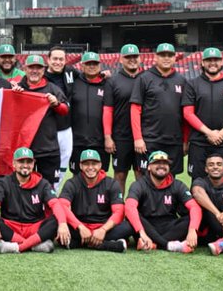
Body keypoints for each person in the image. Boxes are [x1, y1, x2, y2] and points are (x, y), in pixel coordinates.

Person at [0, 147, 66, 254]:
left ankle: (16, 247)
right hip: (11, 226)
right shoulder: (3, 183)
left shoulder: (42, 183)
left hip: (35, 228)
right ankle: (34, 245)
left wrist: (63, 224)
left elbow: (55, 204)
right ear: (14, 164)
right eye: (21, 161)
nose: (25, 165)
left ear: (33, 164)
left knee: (57, 220)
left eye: (29, 162)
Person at [182, 47, 223, 181]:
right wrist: (209, 133)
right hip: (199, 142)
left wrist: (220, 134)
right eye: (208, 60)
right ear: (202, 63)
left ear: (222, 62)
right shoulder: (192, 84)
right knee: (198, 182)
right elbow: (188, 113)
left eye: (216, 60)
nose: (212, 63)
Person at [122, 150, 201, 252]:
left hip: (169, 226)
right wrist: (142, 233)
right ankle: (167, 245)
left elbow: (195, 207)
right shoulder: (139, 184)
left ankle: (154, 244)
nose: (162, 166)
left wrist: (192, 230)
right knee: (131, 215)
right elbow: (129, 206)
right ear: (149, 167)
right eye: (157, 163)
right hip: (146, 227)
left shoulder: (177, 185)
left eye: (165, 163)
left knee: (190, 219)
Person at [130, 43, 188, 178]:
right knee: (146, 178)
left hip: (174, 140)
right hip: (150, 139)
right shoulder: (144, 78)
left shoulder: (182, 80)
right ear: (156, 57)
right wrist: (138, 138)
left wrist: (185, 140)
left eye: (170, 55)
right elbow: (135, 109)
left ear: (175, 58)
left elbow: (186, 112)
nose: (166, 58)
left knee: (171, 178)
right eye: (162, 55)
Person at [55, 150, 128, 252]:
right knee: (55, 222)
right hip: (79, 227)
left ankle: (78, 243)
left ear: (100, 165)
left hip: (103, 227)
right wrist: (80, 227)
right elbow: (62, 206)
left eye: (94, 163)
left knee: (128, 226)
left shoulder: (111, 183)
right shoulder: (72, 183)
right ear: (80, 165)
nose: (90, 167)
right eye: (86, 164)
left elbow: (119, 212)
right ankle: (107, 245)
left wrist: (103, 230)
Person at [19, 54, 70, 186]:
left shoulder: (52, 88)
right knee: (22, 187)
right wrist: (14, 96)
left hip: (48, 149)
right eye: (31, 67)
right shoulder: (18, 89)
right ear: (25, 69)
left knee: (48, 188)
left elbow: (65, 110)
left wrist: (56, 104)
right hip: (24, 149)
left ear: (43, 70)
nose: (35, 71)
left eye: (38, 68)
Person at [102, 43, 143, 190]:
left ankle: (139, 211)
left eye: (135, 56)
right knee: (120, 175)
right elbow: (108, 110)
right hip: (121, 136)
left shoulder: (147, 78)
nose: (132, 60)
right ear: (121, 59)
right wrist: (108, 136)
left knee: (142, 175)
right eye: (128, 57)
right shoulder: (113, 81)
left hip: (144, 136)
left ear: (140, 58)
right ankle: (118, 210)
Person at [68, 52, 108, 175]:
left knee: (101, 176)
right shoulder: (73, 83)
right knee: (77, 177)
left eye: (94, 63)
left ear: (100, 66)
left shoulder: (108, 84)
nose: (91, 66)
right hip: (77, 141)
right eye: (88, 64)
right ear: (82, 66)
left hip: (100, 141)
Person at [45, 46, 75, 176]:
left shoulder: (70, 72)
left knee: (64, 159)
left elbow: (87, 78)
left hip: (65, 126)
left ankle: (55, 190)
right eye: (55, 59)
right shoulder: (40, 74)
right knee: (46, 161)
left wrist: (103, 75)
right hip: (45, 128)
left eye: (61, 59)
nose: (58, 62)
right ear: (48, 60)